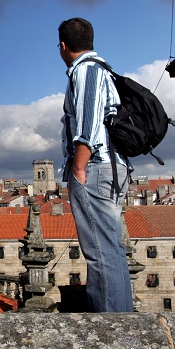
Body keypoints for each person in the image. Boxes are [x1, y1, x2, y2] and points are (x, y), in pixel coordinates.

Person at [58, 17, 133, 312]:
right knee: (111, 250)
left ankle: (111, 327)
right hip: (111, 167)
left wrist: (78, 169)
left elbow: (87, 128)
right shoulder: (104, 70)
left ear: (63, 46)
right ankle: (123, 321)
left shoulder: (86, 71)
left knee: (100, 253)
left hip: (95, 168)